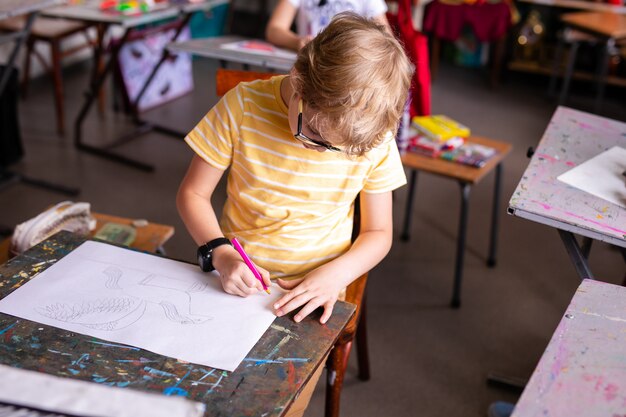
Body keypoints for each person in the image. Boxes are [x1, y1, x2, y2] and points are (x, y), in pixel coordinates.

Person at [177, 14, 412, 414]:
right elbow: (193, 194)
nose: (319, 151)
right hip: (234, 276)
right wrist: (220, 252)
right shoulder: (243, 106)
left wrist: (334, 276)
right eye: (314, 138)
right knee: (197, 391)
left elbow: (378, 232)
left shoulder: (370, 137)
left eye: (335, 150)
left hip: (315, 292)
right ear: (298, 79)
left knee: (277, 403)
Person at [265, 0, 390, 50]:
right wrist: (297, 42)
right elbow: (274, 30)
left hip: (351, 69)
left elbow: (385, 38)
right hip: (310, 66)